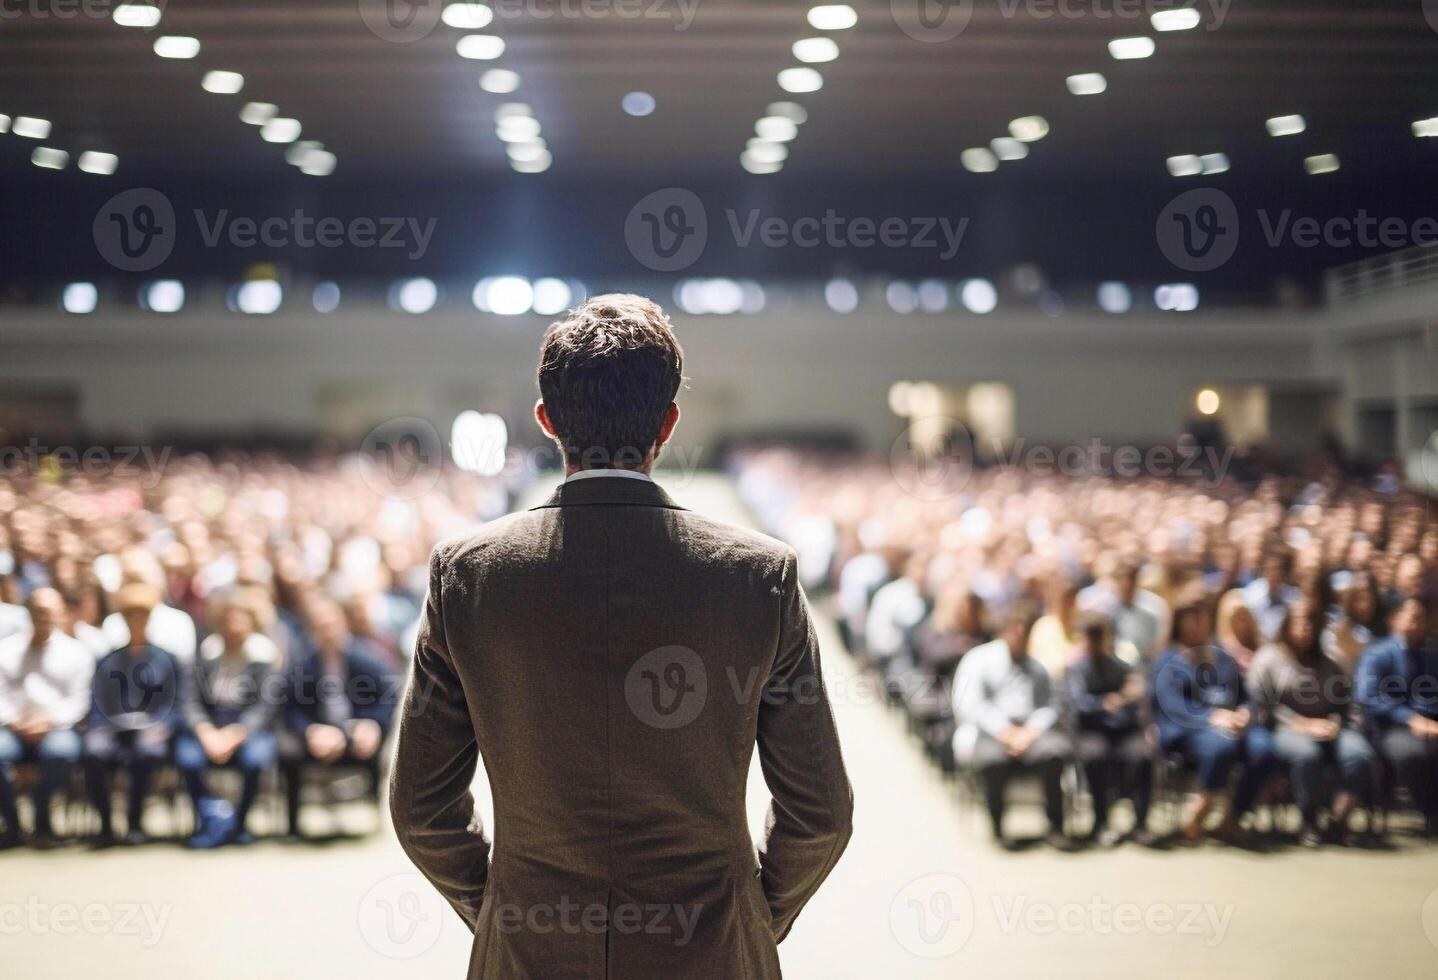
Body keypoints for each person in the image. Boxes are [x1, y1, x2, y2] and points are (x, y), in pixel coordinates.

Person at [389, 295, 852, 979]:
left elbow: (421, 809)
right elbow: (821, 814)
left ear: (548, 421)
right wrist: (752, 911)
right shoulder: (760, 575)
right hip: (712, 945)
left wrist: (500, 903)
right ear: (668, 422)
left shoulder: (468, 575)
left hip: (528, 946)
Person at [1247, 598, 1376, 847]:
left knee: (1359, 754)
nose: (1305, 628)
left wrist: (1337, 722)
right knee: (1307, 755)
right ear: (1287, 625)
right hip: (1285, 728)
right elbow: (1262, 704)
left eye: (1311, 623)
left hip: (1331, 726)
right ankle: (1309, 821)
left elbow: (1347, 700)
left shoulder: (1331, 659)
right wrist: (1301, 723)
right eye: (1299, 622)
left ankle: (1340, 819)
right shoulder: (1269, 658)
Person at [953, 603, 1076, 851]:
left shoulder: (1037, 666)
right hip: (991, 731)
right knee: (992, 760)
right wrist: (1005, 732)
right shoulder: (979, 659)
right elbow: (970, 704)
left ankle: (1055, 826)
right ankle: (998, 827)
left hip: (1030, 732)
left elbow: (1048, 704)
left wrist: (1030, 732)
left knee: (1056, 753)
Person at [1152, 598, 1275, 844]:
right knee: (1221, 745)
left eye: (1201, 616)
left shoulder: (1221, 655)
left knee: (1264, 747)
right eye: (1190, 617)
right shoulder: (1168, 659)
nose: (1197, 623)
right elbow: (1172, 705)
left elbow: (1245, 696)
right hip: (1188, 729)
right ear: (1179, 622)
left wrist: (1245, 713)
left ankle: (1233, 817)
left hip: (1233, 726)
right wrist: (1212, 717)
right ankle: (1201, 808)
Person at [280, 598, 397, 838]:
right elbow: (291, 708)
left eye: (332, 623)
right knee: (287, 753)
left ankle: (376, 815)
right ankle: (292, 824)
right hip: (319, 732)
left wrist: (373, 724)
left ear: (343, 622)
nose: (327, 630)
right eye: (320, 625)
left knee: (371, 746)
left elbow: (389, 696)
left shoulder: (366, 657)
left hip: (356, 729)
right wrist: (310, 730)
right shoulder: (303, 661)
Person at [175, 592, 283, 848]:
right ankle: (210, 819)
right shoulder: (205, 653)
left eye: (240, 620)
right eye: (228, 620)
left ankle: (240, 823)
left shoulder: (263, 655)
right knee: (187, 759)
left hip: (248, 728)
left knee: (254, 760)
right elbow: (190, 700)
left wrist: (235, 734)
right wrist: (206, 732)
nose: (233, 627)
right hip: (210, 726)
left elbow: (265, 706)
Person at [83, 583, 185, 846]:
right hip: (112, 729)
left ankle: (135, 823)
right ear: (123, 619)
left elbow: (176, 704)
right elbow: (97, 702)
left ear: (150, 618)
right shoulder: (108, 659)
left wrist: (163, 727)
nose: (136, 620)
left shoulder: (167, 659)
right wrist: (99, 727)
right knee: (93, 751)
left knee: (147, 752)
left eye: (142, 614)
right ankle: (106, 825)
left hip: (151, 731)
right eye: (130, 615)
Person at [0, 588, 93, 847]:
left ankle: (42, 816)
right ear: (28, 613)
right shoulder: (5, 650)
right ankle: (12, 824)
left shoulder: (77, 652)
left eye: (50, 612)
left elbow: (79, 701)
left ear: (61, 613)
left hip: (57, 727)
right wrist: (15, 722)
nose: (45, 617)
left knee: (61, 752)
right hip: (12, 727)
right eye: (39, 611)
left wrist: (47, 722)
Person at [1065, 614, 1154, 847]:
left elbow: (1135, 700)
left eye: (1100, 636)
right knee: (1095, 757)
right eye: (1092, 636)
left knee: (1143, 754)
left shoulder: (1122, 667)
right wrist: (1105, 703)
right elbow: (1078, 706)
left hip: (1122, 731)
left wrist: (1125, 700)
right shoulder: (1077, 670)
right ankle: (1100, 822)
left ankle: (1140, 824)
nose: (1096, 642)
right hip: (1091, 731)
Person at [1355, 596, 1438, 835]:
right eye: (1413, 617)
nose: (1418, 623)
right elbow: (1368, 696)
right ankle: (1430, 813)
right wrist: (1410, 718)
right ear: (1396, 619)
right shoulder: (1377, 654)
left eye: (1422, 619)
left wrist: (1428, 720)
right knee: (1416, 752)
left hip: (1426, 724)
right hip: (1388, 728)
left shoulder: (1431, 655)